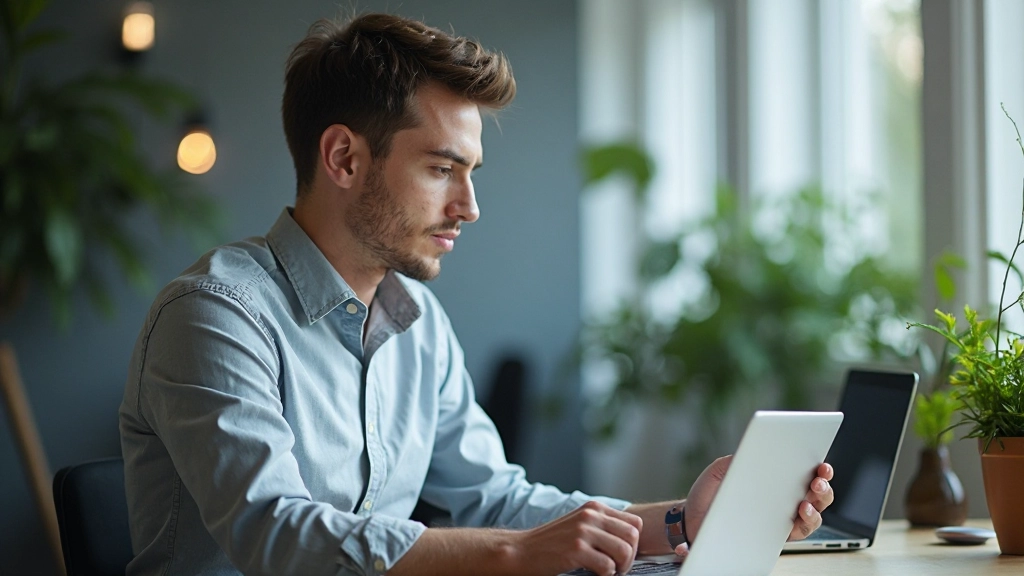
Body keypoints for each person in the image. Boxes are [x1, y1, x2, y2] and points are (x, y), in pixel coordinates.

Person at [119, 12, 834, 576]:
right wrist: (513, 556)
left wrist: (685, 520)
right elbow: (272, 535)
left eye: (472, 171)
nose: (469, 205)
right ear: (343, 157)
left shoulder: (417, 321)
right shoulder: (215, 315)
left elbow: (497, 501)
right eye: (441, 168)